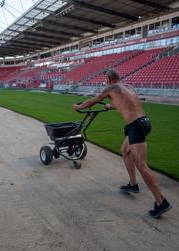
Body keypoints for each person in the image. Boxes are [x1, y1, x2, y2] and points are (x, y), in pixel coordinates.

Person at [72, 69, 172, 218]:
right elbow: (130, 103)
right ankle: (133, 184)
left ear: (109, 78)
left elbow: (93, 100)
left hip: (136, 126)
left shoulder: (110, 88)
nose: (105, 80)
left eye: (105, 78)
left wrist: (78, 107)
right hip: (142, 122)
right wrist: (111, 106)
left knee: (141, 164)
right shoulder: (128, 87)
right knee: (125, 150)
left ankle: (161, 201)